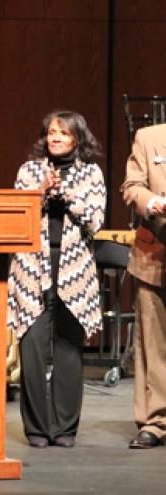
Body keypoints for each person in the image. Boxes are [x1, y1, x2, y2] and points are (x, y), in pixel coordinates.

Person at [7, 110, 106, 448]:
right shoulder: (29, 171)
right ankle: (36, 427)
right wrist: (41, 194)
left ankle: (64, 428)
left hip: (75, 274)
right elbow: (16, 216)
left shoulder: (91, 173)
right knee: (32, 347)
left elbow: (95, 221)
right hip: (32, 270)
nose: (56, 138)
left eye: (63, 133)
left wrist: (66, 195)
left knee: (68, 350)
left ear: (77, 138)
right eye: (51, 133)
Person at [122, 123, 166, 449]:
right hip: (155, 255)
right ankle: (156, 422)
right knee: (153, 343)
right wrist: (152, 202)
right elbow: (132, 187)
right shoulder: (148, 137)